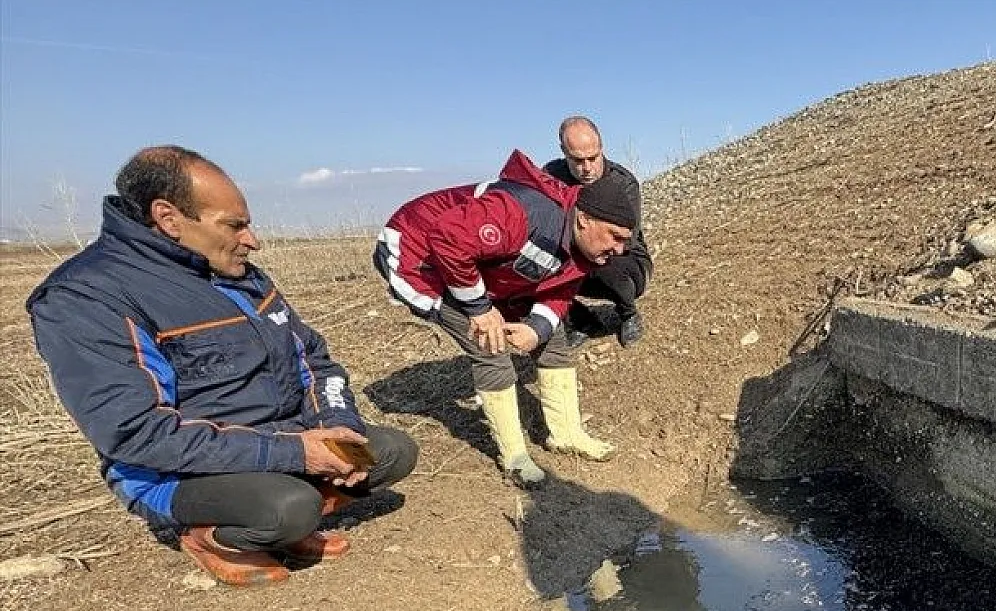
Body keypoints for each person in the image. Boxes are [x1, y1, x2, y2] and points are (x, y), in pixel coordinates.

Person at [27, 146, 420, 588]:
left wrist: (336, 426)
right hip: (183, 470)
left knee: (389, 452)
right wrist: (298, 453)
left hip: (283, 440)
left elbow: (313, 360)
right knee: (288, 507)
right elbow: (137, 432)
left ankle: (285, 519)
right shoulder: (86, 297)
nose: (252, 240)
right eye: (234, 225)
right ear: (168, 218)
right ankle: (211, 536)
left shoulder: (238, 275)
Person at [374, 149, 636, 483]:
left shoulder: (586, 245)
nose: (619, 250)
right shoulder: (524, 213)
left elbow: (558, 290)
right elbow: (449, 238)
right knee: (490, 345)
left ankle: (566, 434)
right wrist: (479, 309)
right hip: (418, 257)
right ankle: (514, 458)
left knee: (553, 340)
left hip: (483, 267)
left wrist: (537, 328)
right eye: (615, 237)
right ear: (584, 219)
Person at [541, 116, 653, 348]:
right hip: (568, 254)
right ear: (564, 152)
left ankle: (628, 313)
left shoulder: (623, 183)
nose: (587, 168)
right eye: (578, 160)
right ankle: (579, 320)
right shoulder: (550, 178)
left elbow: (626, 240)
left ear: (601, 147)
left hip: (620, 257)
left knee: (608, 261)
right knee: (531, 264)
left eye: (593, 158)